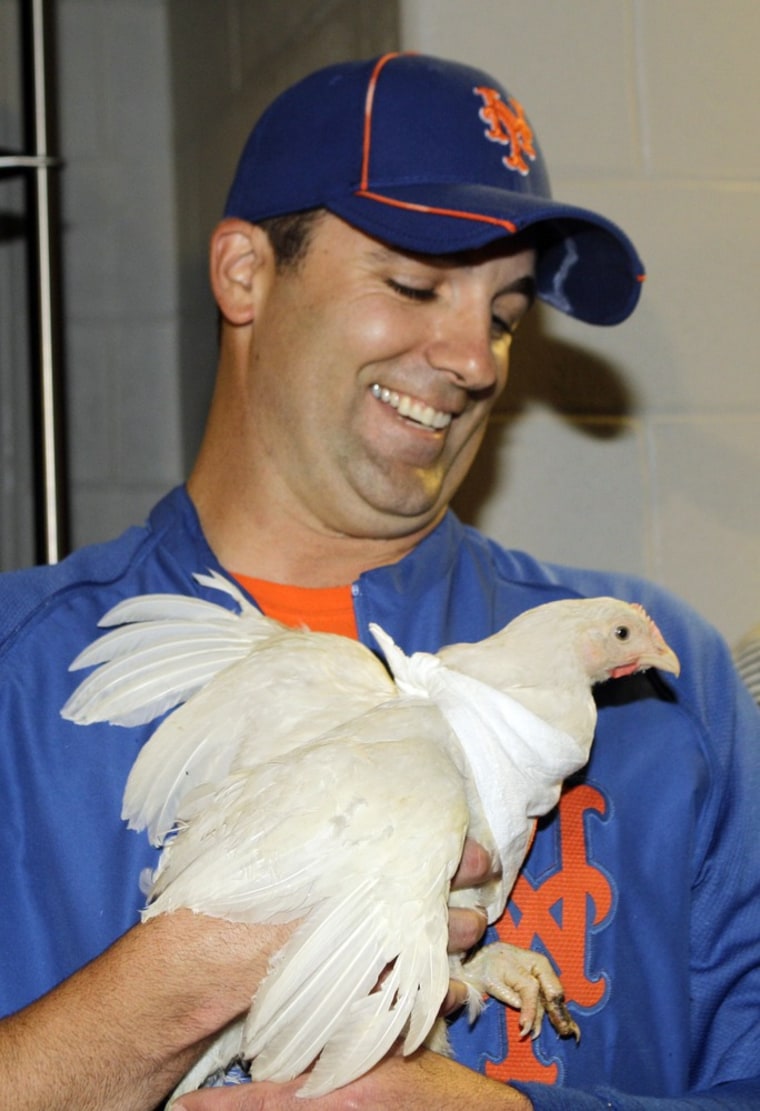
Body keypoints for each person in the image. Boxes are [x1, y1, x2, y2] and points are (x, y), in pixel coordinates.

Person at [0, 52, 758, 1111]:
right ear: (244, 274)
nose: (477, 357)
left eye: (505, 309)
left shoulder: (656, 696)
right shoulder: (19, 679)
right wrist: (184, 982)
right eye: (413, 283)